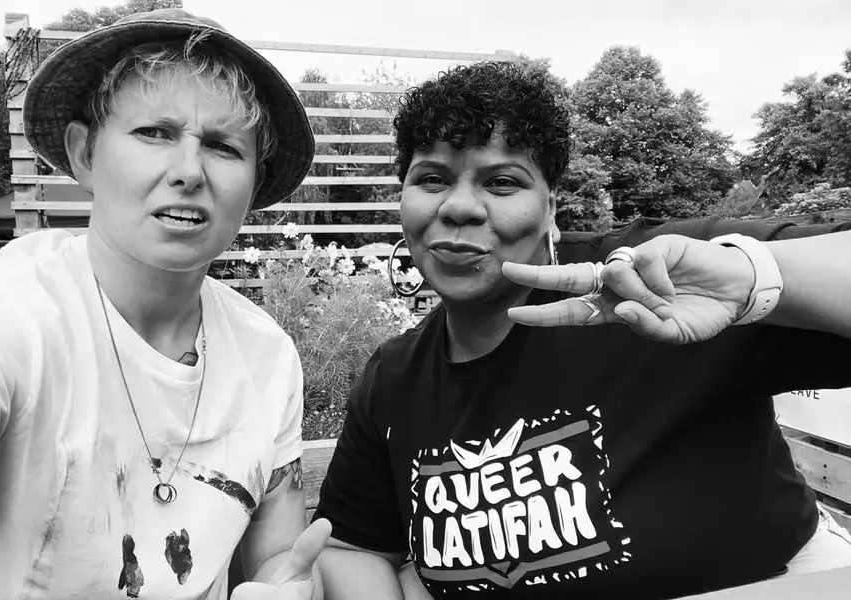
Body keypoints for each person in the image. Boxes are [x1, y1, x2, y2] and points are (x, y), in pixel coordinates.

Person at [312, 60, 851, 600]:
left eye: (501, 182)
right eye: (432, 179)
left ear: (551, 207)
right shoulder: (394, 377)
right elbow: (355, 547)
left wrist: (753, 277)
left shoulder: (651, 280)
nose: (458, 207)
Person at [0, 8, 331, 600]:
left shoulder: (265, 354)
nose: (188, 171)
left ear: (254, 184)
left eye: (223, 147)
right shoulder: (10, 310)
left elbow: (278, 550)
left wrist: (284, 584)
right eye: (154, 132)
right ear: (83, 155)